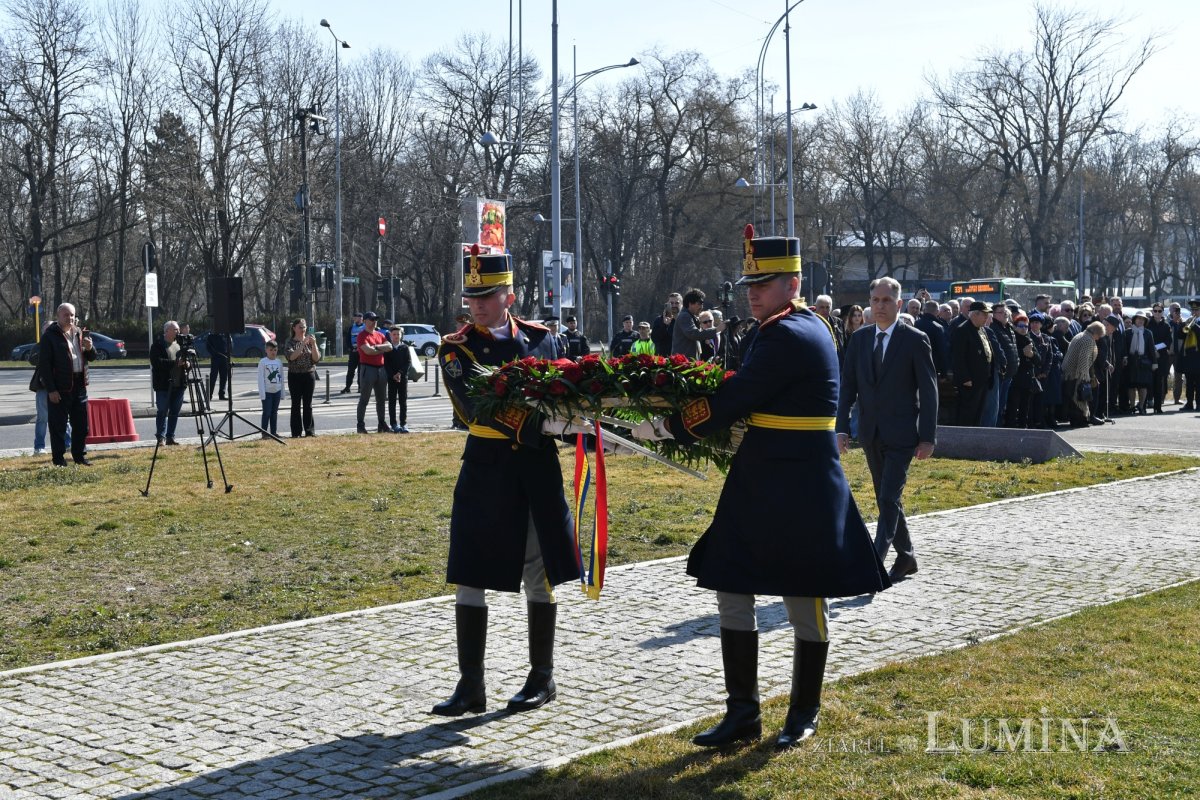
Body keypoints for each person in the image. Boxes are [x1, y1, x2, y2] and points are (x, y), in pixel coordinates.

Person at [633, 225, 888, 749]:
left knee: (802, 591)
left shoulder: (788, 334)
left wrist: (665, 427)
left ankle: (802, 711)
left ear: (791, 284)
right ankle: (743, 713)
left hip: (799, 481)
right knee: (733, 580)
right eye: (748, 281)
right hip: (763, 474)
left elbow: (736, 398)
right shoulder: (787, 326)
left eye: (763, 282)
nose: (751, 290)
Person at [431, 246, 582, 718]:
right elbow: (474, 406)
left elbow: (566, 397)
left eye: (488, 294)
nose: (477, 304)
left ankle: (542, 676)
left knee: (539, 573)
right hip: (487, 469)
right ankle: (470, 684)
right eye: (472, 295)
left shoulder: (542, 340)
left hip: (536, 470)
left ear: (510, 296)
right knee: (470, 572)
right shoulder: (456, 348)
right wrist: (543, 423)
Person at [837, 277, 937, 581]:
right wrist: (842, 428)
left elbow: (929, 390)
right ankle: (906, 557)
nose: (880, 306)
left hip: (903, 434)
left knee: (889, 496)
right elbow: (848, 387)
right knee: (885, 496)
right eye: (875, 300)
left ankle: (874, 563)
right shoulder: (860, 339)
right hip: (870, 432)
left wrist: (927, 436)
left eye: (886, 300)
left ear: (899, 304)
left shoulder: (915, 339)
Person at [34, 303, 95, 466]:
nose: (70, 318)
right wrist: (51, 390)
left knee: (82, 425)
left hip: (79, 385)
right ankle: (59, 459)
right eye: (66, 315)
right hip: (60, 387)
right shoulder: (50, 336)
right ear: (58, 316)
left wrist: (90, 348)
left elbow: (91, 357)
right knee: (58, 426)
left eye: (72, 315)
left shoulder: (79, 333)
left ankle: (79, 456)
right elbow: (44, 366)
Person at [950, 301, 995, 426]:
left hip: (983, 379)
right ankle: (963, 440)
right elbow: (958, 357)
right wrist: (965, 378)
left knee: (978, 413)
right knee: (967, 413)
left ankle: (974, 440)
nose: (987, 317)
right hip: (970, 381)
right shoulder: (962, 330)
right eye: (984, 314)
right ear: (975, 314)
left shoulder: (982, 329)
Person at [149, 320, 187, 448]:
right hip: (163, 385)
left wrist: (187, 365)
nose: (178, 332)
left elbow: (186, 362)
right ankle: (161, 437)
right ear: (167, 331)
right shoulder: (157, 345)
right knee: (162, 411)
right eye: (175, 330)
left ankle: (171, 436)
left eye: (178, 329)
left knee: (174, 412)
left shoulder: (180, 344)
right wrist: (176, 363)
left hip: (179, 384)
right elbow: (158, 362)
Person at [355, 311, 392, 433]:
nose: (374, 322)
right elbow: (368, 351)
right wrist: (381, 348)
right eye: (371, 320)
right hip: (368, 369)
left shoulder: (380, 335)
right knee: (364, 399)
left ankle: (381, 423)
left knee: (381, 399)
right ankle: (360, 425)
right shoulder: (362, 336)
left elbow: (390, 347)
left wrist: (376, 347)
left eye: (375, 320)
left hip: (381, 369)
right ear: (365, 321)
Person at [1062, 322, 1105, 428]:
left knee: (1074, 397)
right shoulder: (1088, 340)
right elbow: (1083, 358)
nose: (1098, 338)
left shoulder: (1080, 335)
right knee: (1080, 396)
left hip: (1069, 372)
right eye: (1099, 336)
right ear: (1095, 332)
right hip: (1076, 373)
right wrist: (1084, 377)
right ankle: (1081, 420)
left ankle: (1081, 419)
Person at [283, 318, 321, 438]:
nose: (303, 329)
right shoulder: (290, 342)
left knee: (308, 404)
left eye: (304, 327)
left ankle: (309, 431)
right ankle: (296, 432)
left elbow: (316, 359)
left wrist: (314, 344)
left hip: (308, 374)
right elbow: (292, 357)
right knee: (295, 404)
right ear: (294, 328)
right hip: (294, 376)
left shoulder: (310, 342)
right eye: (300, 327)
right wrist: (302, 344)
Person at [671, 288, 722, 358]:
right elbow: (695, 334)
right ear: (690, 304)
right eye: (699, 303)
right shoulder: (685, 316)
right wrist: (717, 329)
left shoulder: (690, 316)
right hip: (682, 363)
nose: (701, 307)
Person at [383, 325, 412, 433]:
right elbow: (386, 364)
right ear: (390, 335)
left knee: (403, 401)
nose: (396, 336)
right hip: (391, 378)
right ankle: (394, 424)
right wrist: (393, 375)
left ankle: (403, 423)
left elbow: (408, 362)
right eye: (394, 334)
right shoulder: (388, 349)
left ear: (401, 335)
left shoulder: (404, 347)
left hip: (403, 378)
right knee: (392, 401)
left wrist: (400, 373)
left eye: (398, 334)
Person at [1146, 303, 1172, 414]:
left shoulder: (1166, 325)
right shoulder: (1147, 324)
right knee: (1148, 381)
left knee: (1159, 382)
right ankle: (1145, 404)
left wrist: (1156, 348)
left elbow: (1168, 341)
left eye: (1159, 311)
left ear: (1162, 312)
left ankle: (1158, 406)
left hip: (1161, 357)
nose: (1157, 313)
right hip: (1149, 356)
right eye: (1155, 311)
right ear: (1152, 312)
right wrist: (1152, 350)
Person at [256, 341, 284, 438]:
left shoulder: (279, 362)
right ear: (266, 350)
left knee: (274, 413)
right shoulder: (263, 362)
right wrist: (262, 394)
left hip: (277, 391)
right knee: (267, 412)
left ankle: (273, 432)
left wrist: (282, 392)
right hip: (267, 392)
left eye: (275, 350)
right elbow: (260, 379)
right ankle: (264, 433)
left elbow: (282, 378)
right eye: (271, 350)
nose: (273, 352)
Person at [914, 299, 949, 376]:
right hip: (932, 366)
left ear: (924, 310)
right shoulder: (938, 327)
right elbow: (942, 351)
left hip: (915, 366)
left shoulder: (915, 324)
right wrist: (944, 373)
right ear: (937, 311)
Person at [1179, 299, 1200, 411]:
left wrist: (1194, 325)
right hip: (1189, 357)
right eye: (1193, 310)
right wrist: (1184, 324)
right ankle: (1189, 403)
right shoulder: (1189, 321)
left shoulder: (1196, 324)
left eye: (1197, 310)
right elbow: (1180, 335)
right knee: (1189, 382)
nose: (1194, 312)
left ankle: (1199, 403)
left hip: (1198, 357)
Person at [340, 312, 365, 394]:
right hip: (353, 352)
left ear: (361, 318)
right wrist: (351, 348)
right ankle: (347, 387)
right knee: (350, 370)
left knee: (361, 370)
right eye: (354, 317)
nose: (354, 318)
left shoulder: (365, 327)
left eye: (356, 317)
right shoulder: (352, 327)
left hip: (362, 352)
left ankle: (360, 387)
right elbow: (347, 339)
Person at [205, 330, 232, 404]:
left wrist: (228, 353)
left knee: (224, 377)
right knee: (213, 377)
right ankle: (209, 395)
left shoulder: (226, 335)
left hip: (225, 358)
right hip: (215, 359)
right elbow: (208, 347)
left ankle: (222, 394)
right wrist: (214, 354)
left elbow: (230, 345)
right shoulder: (211, 336)